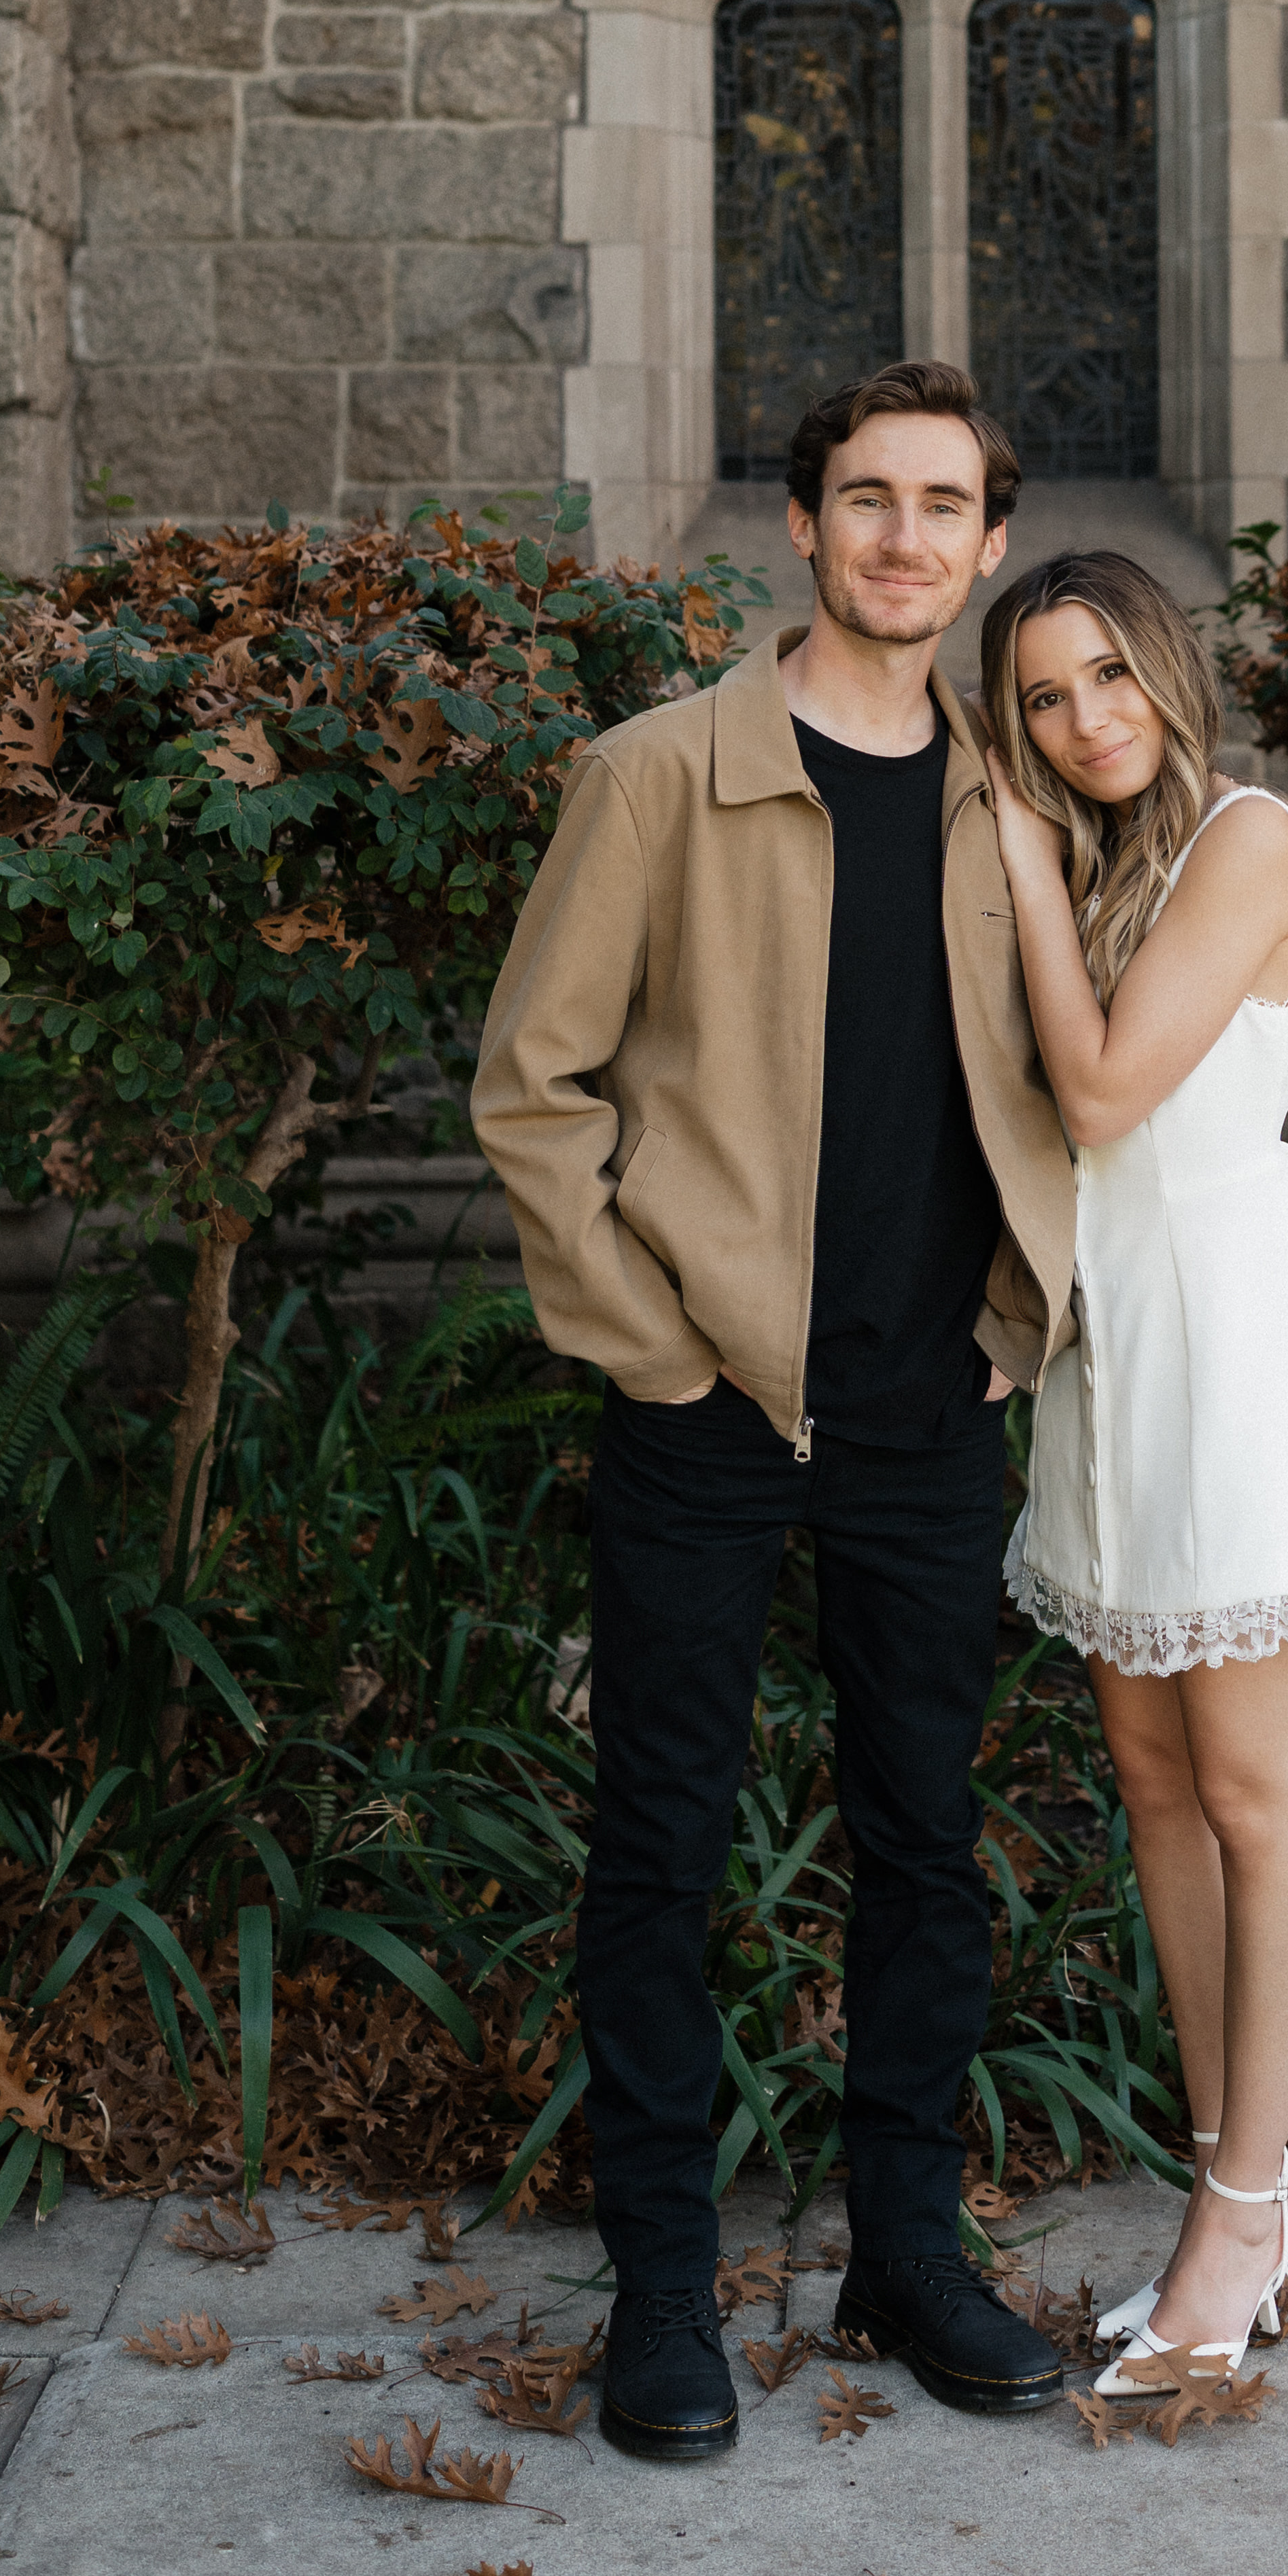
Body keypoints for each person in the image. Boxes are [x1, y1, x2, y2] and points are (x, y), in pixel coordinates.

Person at [471, 361, 1075, 2464]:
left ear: (987, 548)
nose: (904, 536)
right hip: (703, 1401)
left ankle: (906, 2244)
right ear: (801, 525)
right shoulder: (656, 775)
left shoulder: (1017, 800)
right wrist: (644, 1341)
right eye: (864, 497)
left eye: (942, 506)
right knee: (662, 1843)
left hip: (928, 1415)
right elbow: (529, 1087)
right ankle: (660, 2280)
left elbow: (1065, 1080)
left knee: (923, 1844)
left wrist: (1020, 1304)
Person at [974, 548, 1288, 2395]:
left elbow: (1102, 1097)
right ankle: (1220, 2171)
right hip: (1113, 1358)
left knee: (1252, 1783)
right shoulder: (1101, 870)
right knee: (1148, 1778)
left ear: (1167, 675)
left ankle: (1248, 2208)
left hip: (1235, 1342)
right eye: (1039, 697)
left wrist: (1016, 858)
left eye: (1106, 676)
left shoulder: (1243, 839)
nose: (1082, 719)